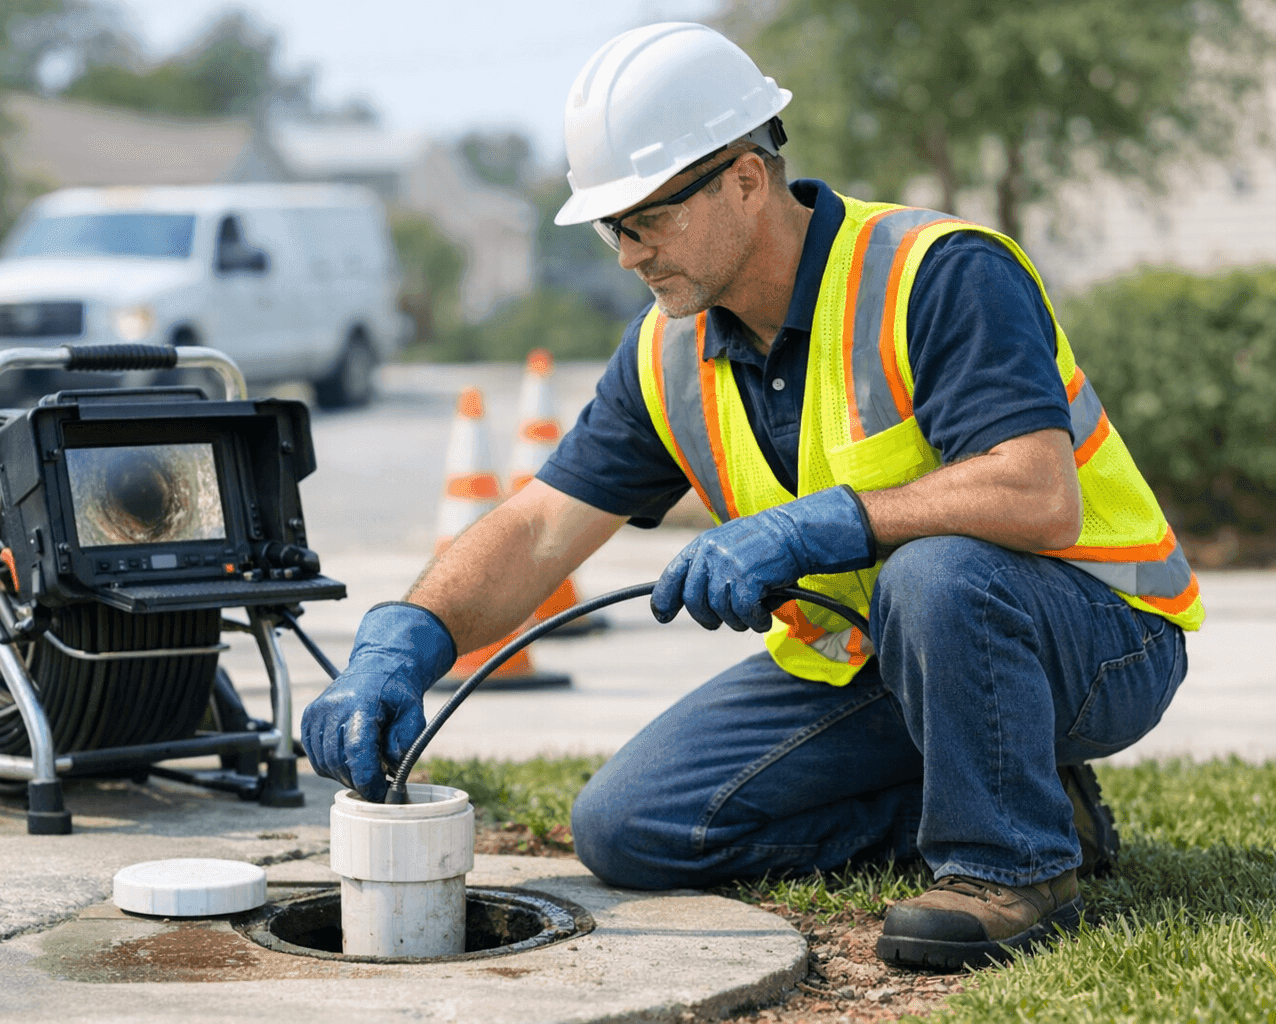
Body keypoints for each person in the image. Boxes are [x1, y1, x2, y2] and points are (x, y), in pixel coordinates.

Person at [301, 22, 1201, 971]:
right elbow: (536, 531)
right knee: (629, 828)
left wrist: (826, 522)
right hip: (882, 662)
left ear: (743, 179)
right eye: (614, 227)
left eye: (644, 219)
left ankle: (1008, 867)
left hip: (1096, 637)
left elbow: (1038, 492)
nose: (627, 255)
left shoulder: (937, 274)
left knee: (936, 574)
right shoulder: (667, 350)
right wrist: (405, 638)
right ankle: (1026, 794)